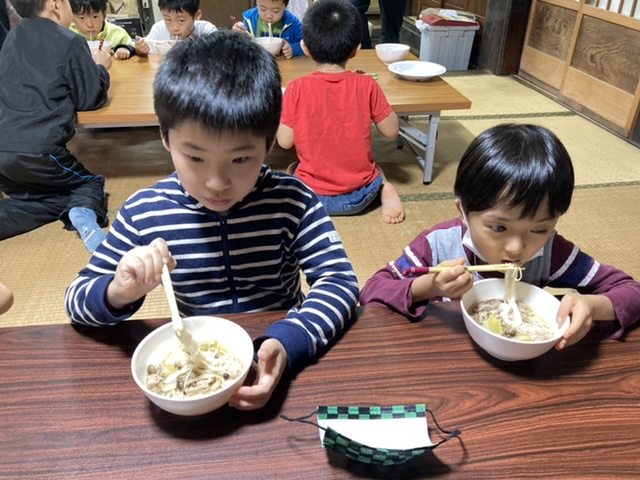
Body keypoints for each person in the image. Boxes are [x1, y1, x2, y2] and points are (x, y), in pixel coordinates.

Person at [64, 31, 359, 411]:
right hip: (193, 369)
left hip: (282, 349)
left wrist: (290, 340)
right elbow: (76, 300)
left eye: (240, 159)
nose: (217, 183)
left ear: (269, 143)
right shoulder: (144, 212)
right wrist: (118, 292)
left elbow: (339, 281)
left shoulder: (293, 200)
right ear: (165, 138)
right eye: (195, 158)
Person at [360, 123, 640, 349]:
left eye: (539, 229)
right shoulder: (438, 245)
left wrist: (594, 306)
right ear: (463, 211)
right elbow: (372, 291)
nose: (517, 248)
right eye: (498, 228)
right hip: (441, 357)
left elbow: (632, 291)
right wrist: (427, 287)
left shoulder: (552, 252)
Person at [276, 0, 405, 224]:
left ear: (305, 48)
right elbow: (391, 131)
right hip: (361, 197)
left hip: (310, 199)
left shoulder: (296, 88)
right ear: (356, 49)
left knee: (290, 168)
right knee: (376, 168)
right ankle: (385, 189)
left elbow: (285, 142)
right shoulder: (366, 84)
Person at [0, 0, 112, 253]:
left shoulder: (12, 37)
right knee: (89, 184)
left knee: (41, 199)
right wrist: (100, 68)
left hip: (2, 153)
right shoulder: (70, 40)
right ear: (56, 4)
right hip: (39, 150)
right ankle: (83, 213)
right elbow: (89, 98)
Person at [69, 0, 148, 59]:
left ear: (104, 15)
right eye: (81, 18)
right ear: (72, 18)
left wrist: (126, 49)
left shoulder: (117, 33)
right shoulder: (68, 35)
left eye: (95, 17)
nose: (90, 25)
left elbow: (133, 47)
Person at [137, 0, 216, 55]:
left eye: (181, 20)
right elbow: (146, 51)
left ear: (196, 15)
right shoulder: (158, 29)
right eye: (168, 20)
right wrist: (141, 50)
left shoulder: (206, 31)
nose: (174, 28)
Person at [232, 0, 303, 59]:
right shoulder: (250, 20)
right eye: (263, 9)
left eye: (275, 11)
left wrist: (293, 49)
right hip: (257, 65)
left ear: (285, 6)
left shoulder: (292, 23)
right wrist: (236, 36)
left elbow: (306, 44)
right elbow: (238, 49)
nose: (269, 16)